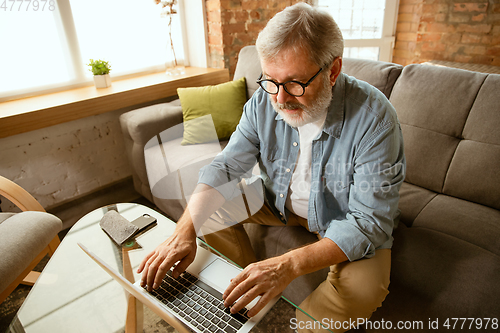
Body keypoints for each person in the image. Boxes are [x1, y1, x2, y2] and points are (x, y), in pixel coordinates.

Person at [138, 2, 405, 332]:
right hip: (279, 202)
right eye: (270, 81)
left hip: (344, 218)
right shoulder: (265, 100)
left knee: (363, 289)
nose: (279, 99)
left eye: (295, 83)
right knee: (204, 210)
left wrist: (288, 264)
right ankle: (248, 289)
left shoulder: (376, 119)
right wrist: (183, 233)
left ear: (333, 71)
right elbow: (226, 166)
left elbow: (369, 222)